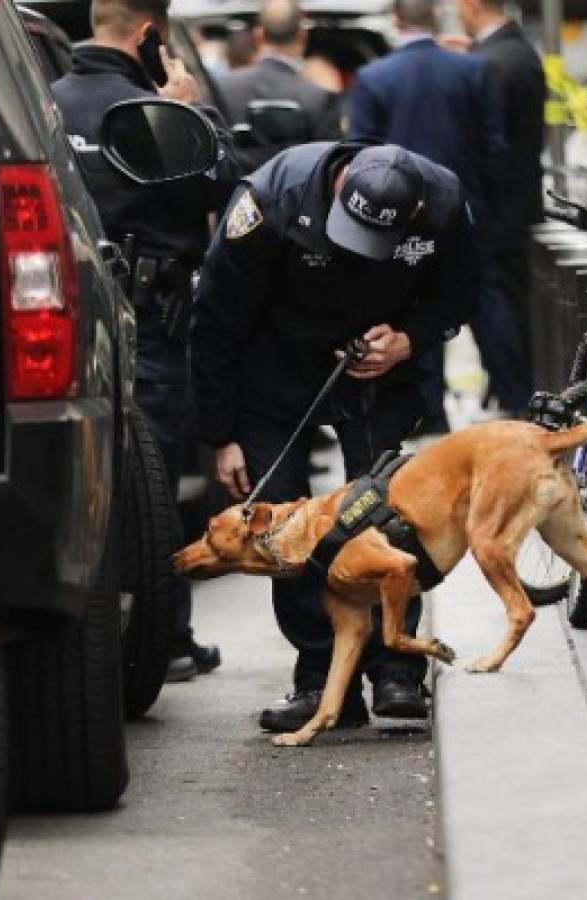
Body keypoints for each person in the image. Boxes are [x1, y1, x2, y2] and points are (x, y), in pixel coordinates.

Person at [192, 142, 477, 732]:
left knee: (388, 520)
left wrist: (408, 340)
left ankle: (397, 669)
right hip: (274, 369)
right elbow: (215, 317)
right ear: (339, 181)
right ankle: (320, 680)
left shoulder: (444, 202)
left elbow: (461, 294)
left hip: (378, 370)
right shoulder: (272, 199)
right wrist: (220, 434)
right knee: (283, 530)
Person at [52, 0, 242, 681]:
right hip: (151, 326)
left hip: (65, 324)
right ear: (149, 34)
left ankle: (99, 638)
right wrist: (196, 110)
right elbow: (222, 186)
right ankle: (167, 638)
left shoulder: (43, 103)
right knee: (152, 488)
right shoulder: (153, 114)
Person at [347, 0, 525, 430]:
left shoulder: (374, 79)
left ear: (395, 21)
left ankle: (430, 413)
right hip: (469, 209)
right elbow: (495, 148)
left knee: (413, 305)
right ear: (434, 19)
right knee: (485, 302)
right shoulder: (472, 71)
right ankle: (517, 399)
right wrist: (490, 208)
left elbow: (360, 155)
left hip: (399, 212)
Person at [457, 0, 545, 379]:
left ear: (473, 5)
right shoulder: (509, 53)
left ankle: (518, 391)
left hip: (501, 211)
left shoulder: (496, 61)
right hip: (513, 205)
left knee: (505, 304)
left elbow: (493, 143)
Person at [215, 0, 342, 169]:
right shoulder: (318, 98)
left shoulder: (221, 87)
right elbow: (330, 168)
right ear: (303, 35)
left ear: (258, 35)